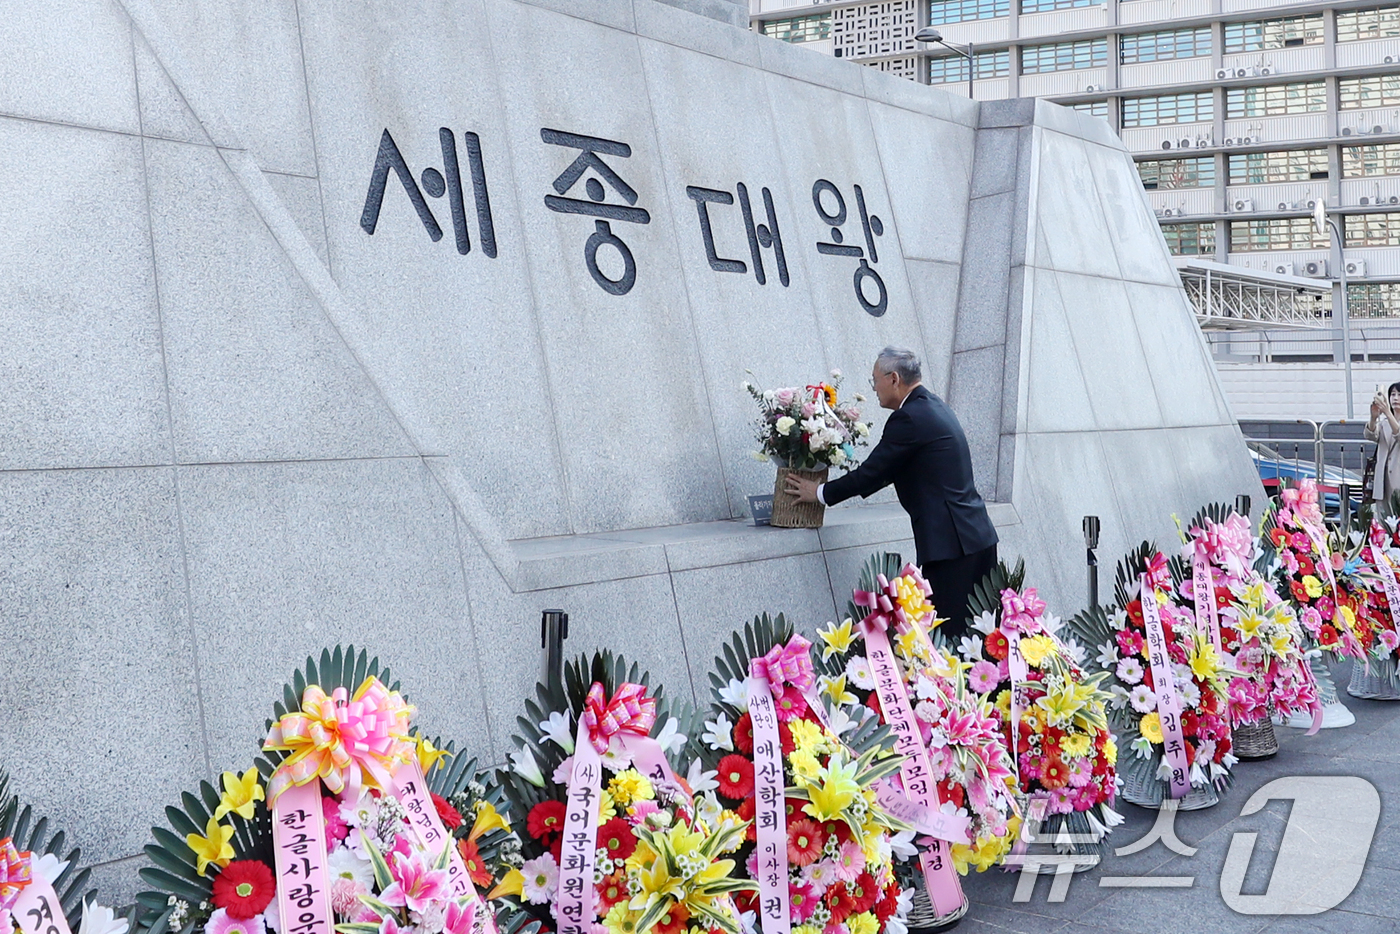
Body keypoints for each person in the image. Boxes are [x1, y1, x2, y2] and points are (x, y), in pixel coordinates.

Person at [786, 346, 999, 641]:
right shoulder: (932, 406)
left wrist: (819, 492)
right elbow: (887, 472)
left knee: (950, 639)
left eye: (875, 380)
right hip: (973, 538)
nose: (873, 388)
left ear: (894, 379)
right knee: (979, 638)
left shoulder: (909, 417)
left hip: (953, 548)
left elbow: (872, 472)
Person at [1366, 382, 1400, 504]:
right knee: (1383, 520)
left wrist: (1387, 412)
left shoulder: (1388, 417)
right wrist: (1373, 418)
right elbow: (1371, 435)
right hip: (1383, 481)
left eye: (1399, 395)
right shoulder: (1384, 423)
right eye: (1392, 394)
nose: (1395, 398)